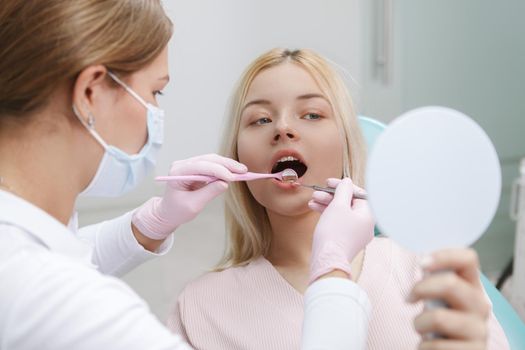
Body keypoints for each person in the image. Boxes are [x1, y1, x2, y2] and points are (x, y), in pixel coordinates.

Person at [0, 2, 373, 349]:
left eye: (311, 114)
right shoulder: (73, 304)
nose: (283, 129)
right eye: (155, 91)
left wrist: (151, 223)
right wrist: (333, 274)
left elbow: (62, 260)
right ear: (90, 93)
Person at [167, 48, 510, 350]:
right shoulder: (199, 308)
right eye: (261, 119)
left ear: (347, 145)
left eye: (312, 114)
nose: (283, 128)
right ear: (237, 158)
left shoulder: (424, 268)